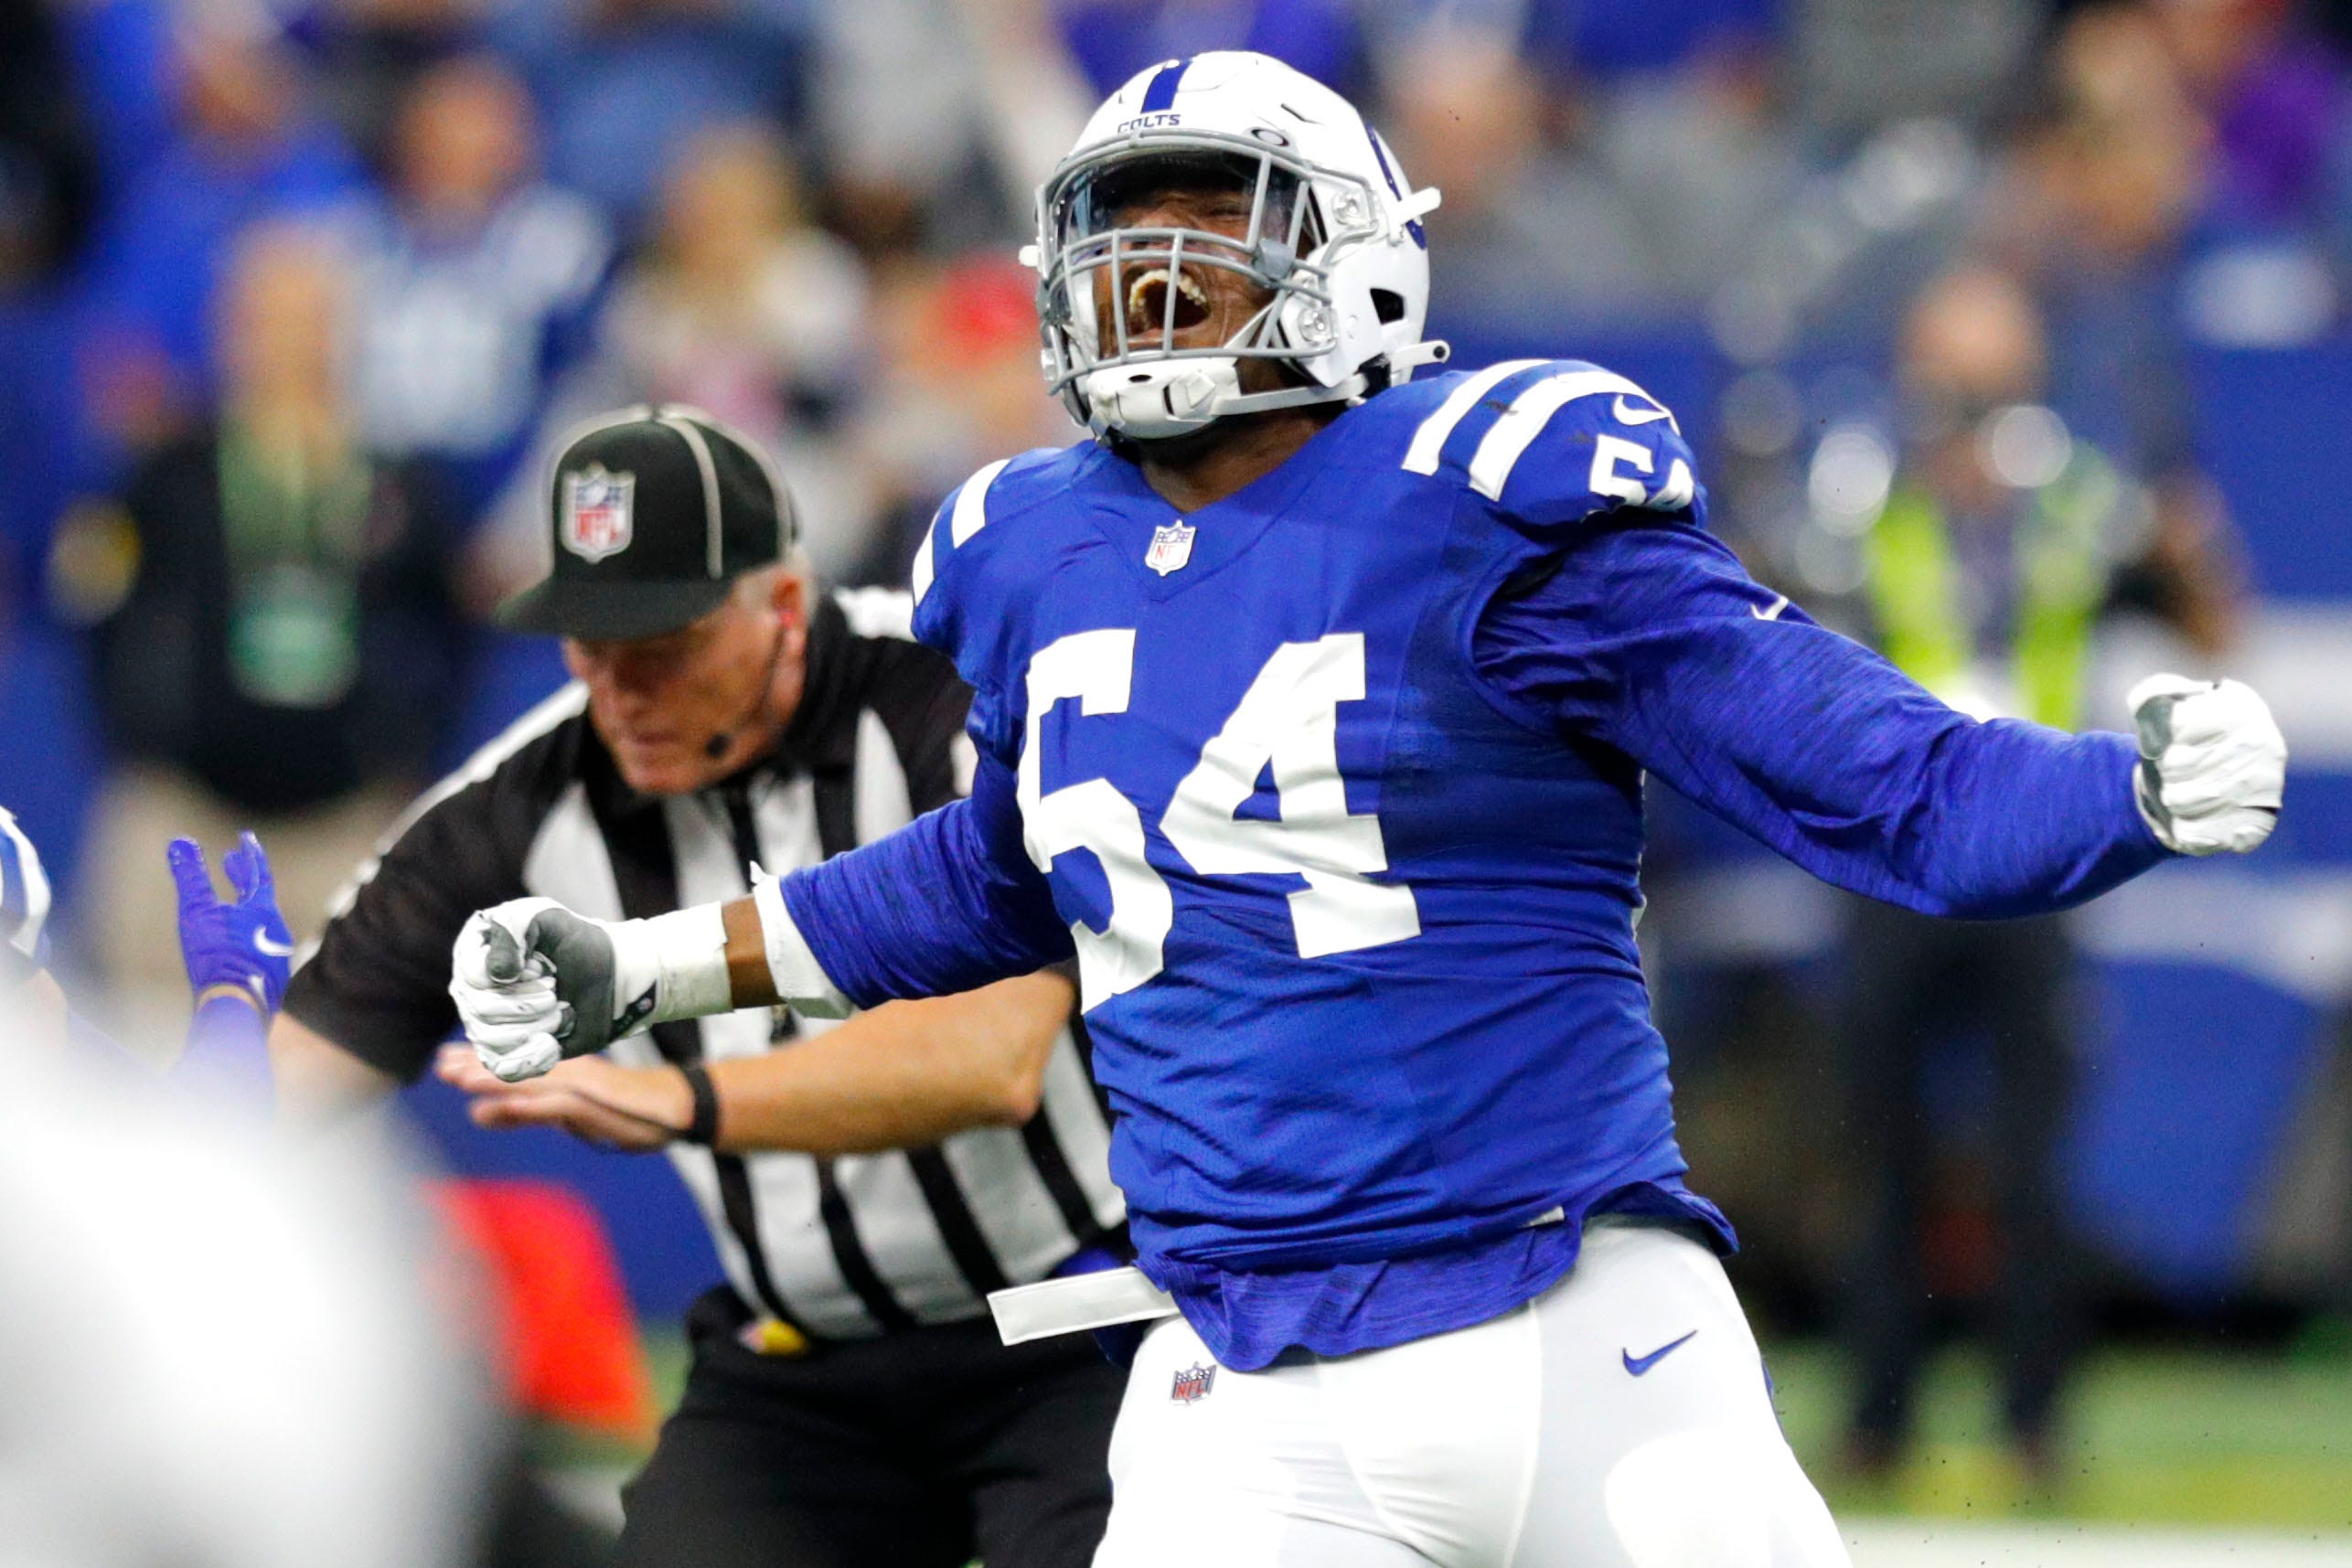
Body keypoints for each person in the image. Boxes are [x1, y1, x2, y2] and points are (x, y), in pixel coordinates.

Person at [452, 54, 2288, 1567]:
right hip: (1243, 1381)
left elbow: (1879, 778)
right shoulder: (1035, 543)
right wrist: (650, 963)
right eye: (1121, 231)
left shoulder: (1493, 489)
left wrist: (2119, 788)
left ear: (1352, 263)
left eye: (1205, 224)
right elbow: (1012, 864)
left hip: (1576, 1320)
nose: (1150, 276)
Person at [273, 406, 1125, 1568]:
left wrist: (681, 1102)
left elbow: (992, 1054)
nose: (617, 685)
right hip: (802, 1357)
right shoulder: (519, 801)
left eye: (660, 639)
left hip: (1072, 1319)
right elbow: (270, 1095)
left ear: (781, 603)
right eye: (586, 639)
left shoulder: (941, 691)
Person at [1831, 262, 2242, 1478]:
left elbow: (2212, 629)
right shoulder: (1860, 491)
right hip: (1891, 852)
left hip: (2037, 860)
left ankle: (2033, 1420)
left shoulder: (2080, 497)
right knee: (1881, 1154)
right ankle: (1877, 1418)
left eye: (1988, 383)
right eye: (1949, 384)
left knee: (2033, 1158)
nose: (1964, 413)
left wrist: (2193, 545)